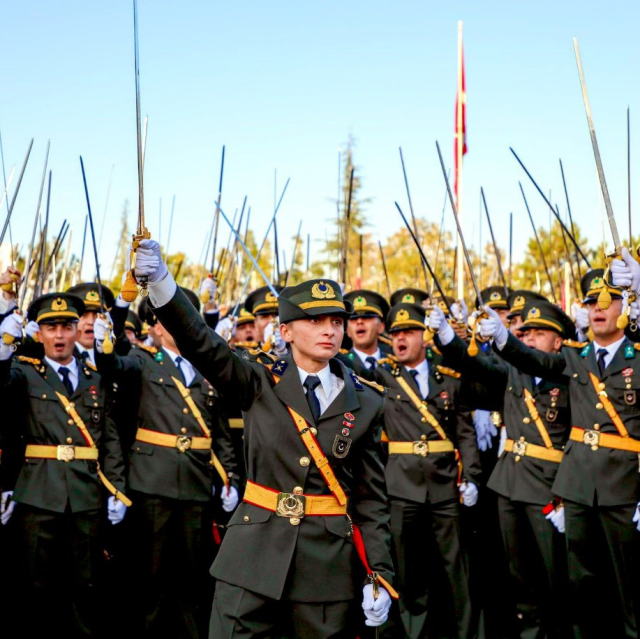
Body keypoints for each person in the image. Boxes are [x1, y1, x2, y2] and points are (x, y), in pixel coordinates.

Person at [132, 238, 397, 638]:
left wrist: (379, 573)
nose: (329, 330)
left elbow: (372, 500)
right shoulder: (257, 379)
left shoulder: (367, 401)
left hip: (325, 568)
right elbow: (202, 345)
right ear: (286, 330)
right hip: (252, 558)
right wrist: (162, 284)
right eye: (315, 320)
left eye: (337, 321)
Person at [480, 268, 640, 636]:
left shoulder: (636, 355)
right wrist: (504, 336)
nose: (598, 307)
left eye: (610, 299)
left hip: (624, 487)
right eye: (590, 301)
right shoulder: (573, 357)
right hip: (580, 487)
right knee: (583, 586)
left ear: (628, 306)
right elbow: (534, 360)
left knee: (630, 586)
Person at [94, 286, 239, 638]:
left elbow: (221, 433)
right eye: (169, 320)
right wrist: (108, 332)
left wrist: (229, 477)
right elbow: (112, 364)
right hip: (152, 481)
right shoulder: (145, 361)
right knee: (152, 576)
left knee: (193, 576)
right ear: (155, 327)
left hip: (196, 483)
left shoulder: (210, 369)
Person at [431, 299, 574, 638]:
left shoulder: (569, 371)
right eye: (526, 332)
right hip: (509, 484)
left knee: (556, 578)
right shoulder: (513, 372)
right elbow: (475, 365)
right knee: (519, 578)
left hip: (549, 487)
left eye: (540, 333)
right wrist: (448, 335)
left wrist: (567, 493)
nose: (530, 338)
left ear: (558, 342)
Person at [0, 292, 128, 638]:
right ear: (38, 333)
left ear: (76, 331)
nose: (59, 336)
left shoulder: (94, 378)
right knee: (35, 590)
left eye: (66, 327)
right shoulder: (23, 372)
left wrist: (117, 488)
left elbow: (109, 438)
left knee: (83, 590)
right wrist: (3, 346)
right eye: (50, 327)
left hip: (85, 497)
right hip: (38, 495)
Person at [376, 301, 481, 638]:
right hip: (401, 486)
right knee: (409, 574)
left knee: (458, 571)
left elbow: (464, 432)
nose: (400, 339)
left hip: (446, 486)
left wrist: (473, 477)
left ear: (424, 336)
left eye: (408, 331)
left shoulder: (447, 378)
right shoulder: (382, 376)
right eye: (395, 334)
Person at [337, 289, 390, 380]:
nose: (360, 322)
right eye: (353, 319)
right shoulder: (339, 365)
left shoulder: (395, 363)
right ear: (347, 330)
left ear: (381, 327)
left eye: (367, 317)